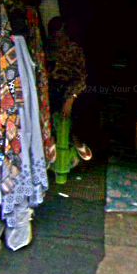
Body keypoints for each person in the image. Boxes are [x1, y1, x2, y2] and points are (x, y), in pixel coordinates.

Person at [47, 16, 91, 179]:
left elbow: (81, 79)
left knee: (72, 121)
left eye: (60, 35)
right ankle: (52, 149)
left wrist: (70, 99)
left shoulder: (74, 50)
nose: (57, 39)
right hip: (53, 91)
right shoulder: (48, 49)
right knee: (51, 120)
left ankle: (76, 144)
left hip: (72, 91)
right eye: (54, 35)